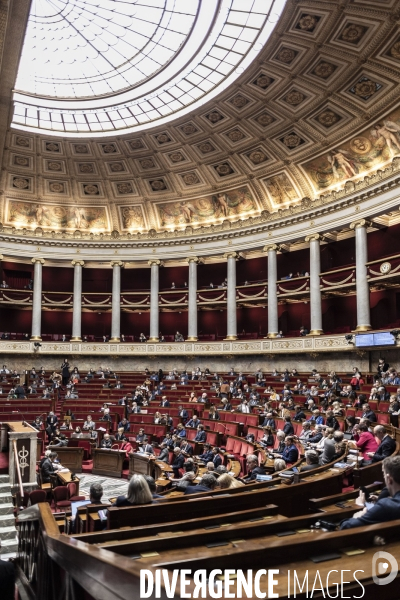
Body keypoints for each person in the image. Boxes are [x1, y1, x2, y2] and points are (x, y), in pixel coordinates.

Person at [340, 456, 400, 529]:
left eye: (383, 474)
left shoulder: (386, 506)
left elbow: (345, 526)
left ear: (389, 478)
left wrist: (360, 508)